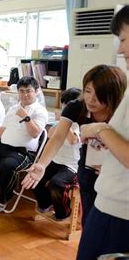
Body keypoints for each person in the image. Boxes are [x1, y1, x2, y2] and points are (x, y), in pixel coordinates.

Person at [22, 65, 126, 225]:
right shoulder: (76, 106)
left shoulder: (122, 112)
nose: (91, 99)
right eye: (88, 91)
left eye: (99, 94)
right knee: (90, 217)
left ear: (113, 94)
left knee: (113, 220)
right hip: (88, 166)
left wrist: (111, 165)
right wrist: (41, 164)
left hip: (119, 170)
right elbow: (57, 137)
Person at [73, 5, 129, 260]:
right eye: (87, 91)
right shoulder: (76, 106)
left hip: (117, 209)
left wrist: (99, 129)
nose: (121, 49)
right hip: (106, 196)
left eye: (125, 39)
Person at [0, 77, 48, 212]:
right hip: (3, 146)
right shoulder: (13, 108)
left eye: (28, 91)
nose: (25, 95)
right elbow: (2, 128)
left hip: (23, 152)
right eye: (21, 91)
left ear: (37, 91)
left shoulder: (40, 111)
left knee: (6, 167)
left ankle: (4, 198)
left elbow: (35, 133)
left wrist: (25, 116)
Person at [32, 88, 82, 220]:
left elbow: (73, 140)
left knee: (57, 184)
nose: (66, 107)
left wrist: (67, 122)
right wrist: (61, 122)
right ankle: (45, 203)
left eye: (70, 104)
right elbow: (50, 135)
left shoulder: (80, 124)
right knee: (34, 177)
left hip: (72, 165)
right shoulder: (61, 122)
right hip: (56, 160)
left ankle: (64, 213)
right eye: (65, 104)